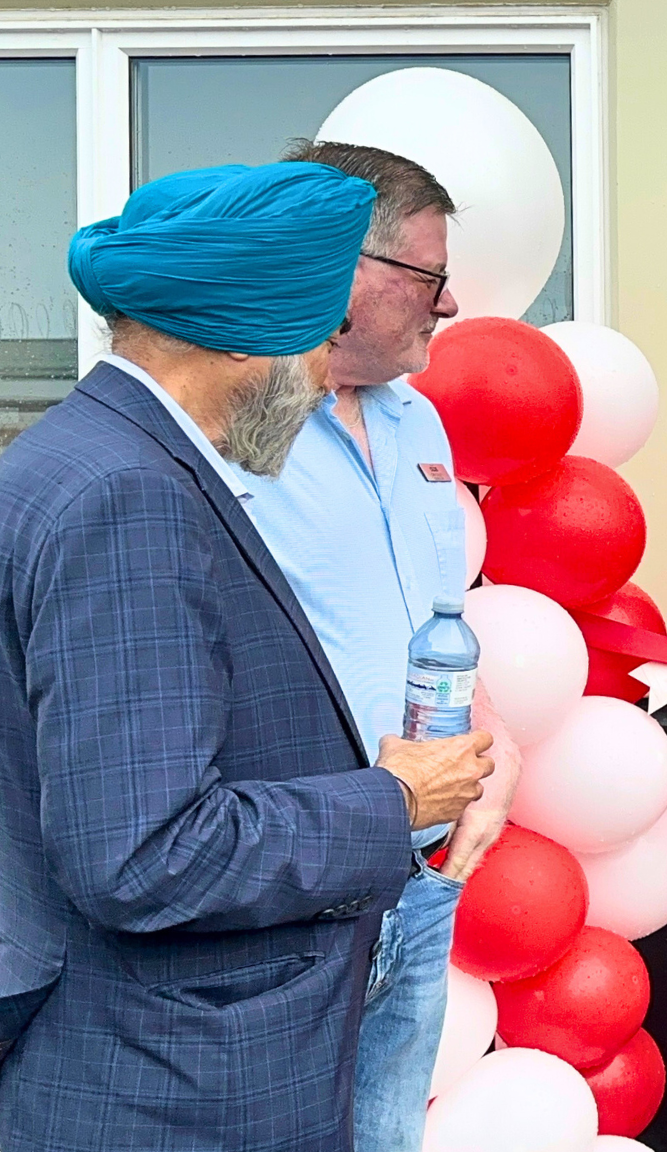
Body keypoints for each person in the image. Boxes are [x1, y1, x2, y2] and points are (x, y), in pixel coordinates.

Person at [0, 162, 493, 1151]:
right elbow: (142, 855)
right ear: (239, 335)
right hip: (168, 1079)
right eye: (314, 334)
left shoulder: (86, 455)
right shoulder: (126, 496)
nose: (321, 370)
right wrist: (392, 801)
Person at [222, 139, 520, 1152]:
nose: (447, 307)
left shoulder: (421, 424)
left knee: (387, 1133)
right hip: (293, 878)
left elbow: (438, 625)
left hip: (422, 869)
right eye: (431, 279)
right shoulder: (222, 428)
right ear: (348, 270)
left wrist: (496, 748)